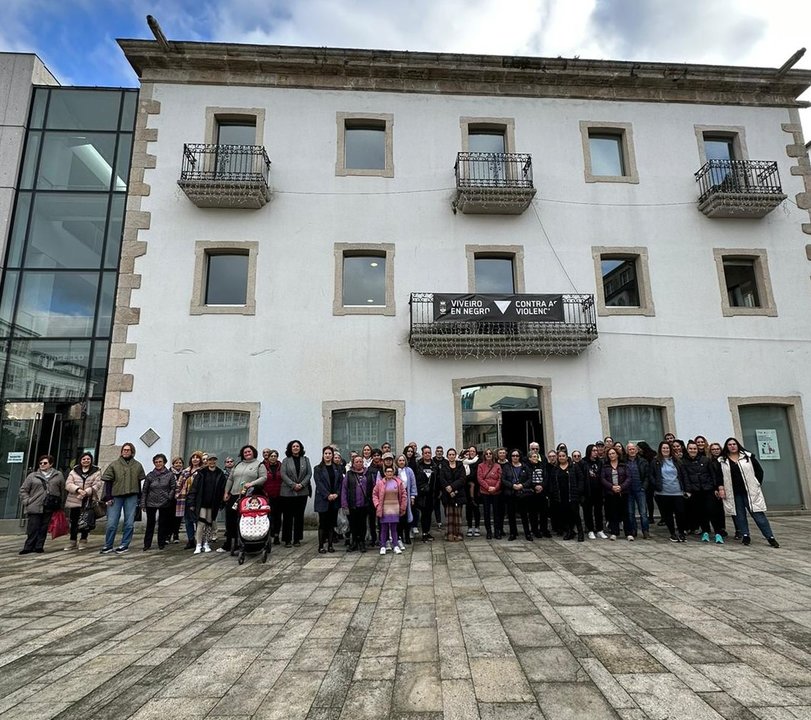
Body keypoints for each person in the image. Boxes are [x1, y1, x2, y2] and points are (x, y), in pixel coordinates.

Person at [717, 437, 779, 548]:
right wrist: (721, 488)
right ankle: (746, 535)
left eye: (734, 444)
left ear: (738, 445)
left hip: (750, 492)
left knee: (758, 515)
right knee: (740, 516)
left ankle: (770, 537)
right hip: (734, 493)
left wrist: (756, 483)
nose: (732, 446)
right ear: (726, 447)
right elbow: (719, 476)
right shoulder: (722, 460)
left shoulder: (748, 457)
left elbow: (759, 471)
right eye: (729, 444)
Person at [100, 442, 146, 555]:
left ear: (132, 452)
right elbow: (108, 481)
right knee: (112, 522)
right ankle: (108, 545)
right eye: (124, 450)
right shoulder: (114, 464)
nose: (126, 451)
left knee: (129, 523)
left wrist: (139, 499)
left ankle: (124, 544)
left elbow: (139, 482)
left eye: (128, 450)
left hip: (131, 496)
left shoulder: (138, 465)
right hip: (116, 496)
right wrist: (108, 497)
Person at [19, 454, 66, 555]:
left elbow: (62, 490)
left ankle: (39, 546)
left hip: (49, 505)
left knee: (44, 527)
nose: (42, 465)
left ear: (51, 464)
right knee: (33, 527)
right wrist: (27, 500)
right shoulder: (32, 476)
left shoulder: (58, 475)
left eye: (45, 463)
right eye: (40, 463)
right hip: (35, 504)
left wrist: (60, 504)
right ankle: (28, 546)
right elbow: (23, 490)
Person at [221, 444, 262, 554]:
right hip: (235, 495)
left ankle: (246, 543)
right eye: (245, 452)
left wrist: (252, 483)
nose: (247, 453)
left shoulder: (259, 464)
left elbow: (264, 477)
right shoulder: (238, 465)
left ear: (253, 452)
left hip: (249, 496)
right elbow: (230, 479)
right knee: (231, 518)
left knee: (245, 519)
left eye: (249, 451)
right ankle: (230, 542)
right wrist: (226, 492)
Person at [683, 441, 723, 543]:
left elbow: (712, 474)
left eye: (694, 448)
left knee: (712, 511)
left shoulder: (705, 460)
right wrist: (688, 490)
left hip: (708, 489)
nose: (693, 450)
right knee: (700, 512)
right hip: (695, 491)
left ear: (698, 449)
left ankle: (718, 533)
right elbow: (685, 477)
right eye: (690, 449)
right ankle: (705, 531)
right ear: (687, 450)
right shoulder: (684, 462)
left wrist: (716, 488)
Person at [188, 454, 227, 554]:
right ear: (207, 461)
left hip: (213, 503)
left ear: (216, 461)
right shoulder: (201, 473)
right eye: (210, 460)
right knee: (201, 523)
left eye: (214, 460)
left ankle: (206, 543)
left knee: (209, 523)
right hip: (201, 502)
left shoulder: (220, 473)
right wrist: (191, 502)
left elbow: (223, 489)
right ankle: (198, 544)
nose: (212, 462)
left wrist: (222, 502)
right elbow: (194, 488)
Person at [64, 452, 102, 550]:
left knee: (86, 520)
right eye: (84, 459)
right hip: (75, 499)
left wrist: (87, 491)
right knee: (74, 520)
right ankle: (72, 541)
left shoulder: (96, 471)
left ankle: (83, 540)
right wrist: (78, 490)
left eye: (88, 459)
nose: (86, 461)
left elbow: (97, 484)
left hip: (88, 499)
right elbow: (68, 484)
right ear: (80, 460)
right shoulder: (74, 471)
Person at [651, 440, 688, 542]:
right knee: (667, 514)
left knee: (680, 513)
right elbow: (651, 475)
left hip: (677, 491)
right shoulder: (656, 461)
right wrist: (656, 486)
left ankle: (681, 532)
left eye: (667, 448)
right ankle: (672, 533)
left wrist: (686, 488)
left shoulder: (677, 461)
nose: (665, 450)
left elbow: (683, 475)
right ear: (660, 450)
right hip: (663, 492)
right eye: (663, 448)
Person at [280, 439, 312, 547]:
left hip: (302, 492)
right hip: (288, 492)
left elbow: (309, 474)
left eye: (297, 446)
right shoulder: (285, 460)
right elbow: (283, 474)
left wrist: (302, 485)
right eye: (293, 446)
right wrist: (293, 485)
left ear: (300, 448)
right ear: (290, 448)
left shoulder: (305, 460)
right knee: (288, 516)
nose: (295, 448)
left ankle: (297, 539)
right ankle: (287, 539)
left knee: (299, 516)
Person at [141, 453, 176, 551]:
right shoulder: (150, 475)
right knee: (150, 524)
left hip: (164, 502)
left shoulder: (169, 475)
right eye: (156, 462)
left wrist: (169, 497)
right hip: (151, 502)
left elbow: (173, 487)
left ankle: (161, 542)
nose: (158, 464)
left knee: (162, 523)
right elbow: (145, 490)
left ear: (164, 462)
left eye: (160, 461)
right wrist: (143, 503)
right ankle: (147, 544)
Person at [313, 446, 343, 553]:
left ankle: (330, 545)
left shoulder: (338, 468)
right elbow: (319, 483)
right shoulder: (318, 468)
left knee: (331, 524)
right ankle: (321, 546)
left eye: (330, 454)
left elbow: (340, 482)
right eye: (326, 453)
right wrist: (327, 495)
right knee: (323, 523)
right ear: (323, 455)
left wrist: (337, 494)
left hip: (334, 499)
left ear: (332, 455)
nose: (328, 455)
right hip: (323, 499)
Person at [373, 465, 407, 555]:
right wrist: (377, 504)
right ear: (384, 473)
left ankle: (395, 545)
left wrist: (403, 506)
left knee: (394, 528)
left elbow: (404, 494)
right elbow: (374, 494)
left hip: (395, 507)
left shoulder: (398, 483)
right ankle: (383, 546)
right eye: (387, 472)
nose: (389, 473)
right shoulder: (380, 483)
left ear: (393, 472)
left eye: (391, 471)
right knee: (384, 528)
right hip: (384, 508)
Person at [552, 449, 584, 541]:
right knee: (565, 515)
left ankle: (580, 533)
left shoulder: (573, 467)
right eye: (560, 456)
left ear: (567, 457)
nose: (561, 457)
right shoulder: (556, 468)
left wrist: (579, 490)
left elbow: (581, 478)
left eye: (563, 456)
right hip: (561, 496)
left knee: (575, 515)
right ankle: (569, 532)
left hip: (572, 495)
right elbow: (553, 482)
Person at [342, 454, 371, 552]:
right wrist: (344, 504)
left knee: (362, 524)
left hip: (364, 505)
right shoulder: (349, 474)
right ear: (353, 464)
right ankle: (354, 541)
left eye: (360, 461)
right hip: (352, 504)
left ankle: (362, 542)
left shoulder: (367, 473)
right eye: (356, 462)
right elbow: (344, 489)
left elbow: (372, 487)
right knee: (353, 524)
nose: (359, 463)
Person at [600, 447, 630, 541]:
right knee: (613, 513)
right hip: (610, 493)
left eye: (613, 453)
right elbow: (602, 479)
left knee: (625, 513)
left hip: (623, 492)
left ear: (617, 454)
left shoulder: (624, 465)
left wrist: (621, 487)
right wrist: (612, 487)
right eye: (609, 454)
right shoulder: (605, 466)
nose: (611, 455)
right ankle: (614, 532)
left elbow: (628, 478)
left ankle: (628, 533)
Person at [503, 449, 532, 541]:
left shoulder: (525, 467)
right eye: (513, 455)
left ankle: (527, 533)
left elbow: (530, 479)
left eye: (517, 455)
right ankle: (513, 533)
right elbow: (503, 479)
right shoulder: (507, 467)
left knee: (524, 515)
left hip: (522, 493)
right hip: (511, 493)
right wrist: (512, 486)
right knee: (511, 515)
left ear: (520, 457)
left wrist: (522, 485)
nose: (515, 457)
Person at [439, 448, 466, 541]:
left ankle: (458, 533)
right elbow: (441, 479)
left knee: (457, 515)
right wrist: (448, 489)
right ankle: (449, 533)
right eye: (449, 455)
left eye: (453, 454)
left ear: (456, 456)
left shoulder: (460, 466)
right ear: (447, 456)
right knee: (449, 515)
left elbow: (462, 479)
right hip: (447, 494)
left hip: (458, 493)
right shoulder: (444, 466)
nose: (451, 456)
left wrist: (453, 488)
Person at [579, 444, 606, 539]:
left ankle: (600, 530)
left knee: (598, 512)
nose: (596, 452)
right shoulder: (583, 462)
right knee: (588, 512)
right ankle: (590, 530)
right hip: (588, 491)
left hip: (598, 490)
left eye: (596, 450)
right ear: (589, 451)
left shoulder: (600, 462)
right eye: (594, 450)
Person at [177, 452, 203, 549]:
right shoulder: (185, 471)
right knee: (188, 520)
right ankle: (190, 539)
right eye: (193, 457)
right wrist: (177, 493)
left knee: (197, 520)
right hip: (185, 498)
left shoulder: (202, 471)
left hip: (197, 498)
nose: (195, 459)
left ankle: (199, 539)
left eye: (197, 458)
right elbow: (179, 483)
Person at [257, 448, 283, 547]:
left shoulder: (281, 466)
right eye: (271, 456)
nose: (273, 458)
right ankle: (268, 534)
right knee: (268, 516)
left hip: (279, 495)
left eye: (275, 456)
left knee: (278, 516)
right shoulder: (263, 467)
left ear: (277, 457)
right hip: (267, 495)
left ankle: (276, 535)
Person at [625, 443, 651, 539]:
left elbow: (647, 476)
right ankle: (633, 530)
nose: (632, 451)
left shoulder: (643, 461)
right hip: (628, 491)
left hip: (640, 489)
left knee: (643, 512)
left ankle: (645, 531)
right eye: (630, 449)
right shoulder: (624, 461)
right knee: (630, 512)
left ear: (636, 450)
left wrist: (644, 487)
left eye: (633, 449)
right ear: (627, 451)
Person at [413, 445, 439, 542]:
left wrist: (438, 492)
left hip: (431, 495)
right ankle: (423, 533)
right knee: (423, 514)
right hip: (421, 495)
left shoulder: (435, 466)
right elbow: (415, 479)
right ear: (422, 454)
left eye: (429, 453)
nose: (427, 454)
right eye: (425, 453)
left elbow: (438, 479)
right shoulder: (418, 465)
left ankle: (427, 532)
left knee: (428, 514)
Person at [477, 448, 502, 539]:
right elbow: (480, 478)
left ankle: (497, 531)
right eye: (486, 454)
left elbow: (500, 478)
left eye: (490, 453)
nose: (488, 455)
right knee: (486, 512)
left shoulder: (497, 466)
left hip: (496, 492)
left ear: (493, 455)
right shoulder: (480, 466)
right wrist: (488, 488)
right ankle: (489, 532)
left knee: (496, 512)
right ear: (484, 455)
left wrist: (495, 488)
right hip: (485, 492)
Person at [395, 453, 417, 547]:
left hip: (406, 495)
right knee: (399, 518)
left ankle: (407, 536)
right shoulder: (395, 471)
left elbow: (413, 484)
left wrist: (412, 496)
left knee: (406, 516)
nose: (401, 462)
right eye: (400, 460)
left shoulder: (409, 471)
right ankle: (399, 536)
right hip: (396, 497)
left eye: (403, 460)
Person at [526, 450, 549, 539]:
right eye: (534, 457)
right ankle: (535, 530)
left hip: (542, 491)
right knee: (533, 513)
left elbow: (546, 477)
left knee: (544, 512)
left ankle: (544, 529)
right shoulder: (527, 467)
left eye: (536, 456)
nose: (536, 458)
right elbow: (527, 478)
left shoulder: (542, 465)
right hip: (532, 492)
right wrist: (534, 486)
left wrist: (542, 486)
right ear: (529, 458)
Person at [462, 446, 481, 537]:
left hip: (477, 487)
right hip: (466, 487)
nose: (471, 452)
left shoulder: (479, 461)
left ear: (476, 452)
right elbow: (463, 474)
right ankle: (469, 526)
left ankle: (477, 527)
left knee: (476, 508)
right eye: (470, 451)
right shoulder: (466, 461)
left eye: (473, 451)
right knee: (468, 508)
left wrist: (469, 477)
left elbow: (477, 474)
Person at [169, 456, 184, 543]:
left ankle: (176, 535)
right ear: (173, 464)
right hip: (171, 498)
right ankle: (168, 535)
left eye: (180, 463)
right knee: (170, 517)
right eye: (176, 463)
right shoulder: (169, 472)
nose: (178, 464)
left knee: (178, 518)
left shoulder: (185, 473)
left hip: (181, 498)